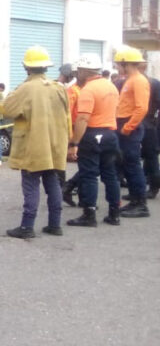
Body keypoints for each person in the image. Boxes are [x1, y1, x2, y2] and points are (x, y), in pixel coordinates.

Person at [0, 47, 70, 239]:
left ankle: (27, 226)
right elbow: (67, 116)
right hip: (54, 144)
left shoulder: (26, 88)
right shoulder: (58, 88)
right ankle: (55, 224)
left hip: (33, 145)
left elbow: (7, 109)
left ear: (26, 67)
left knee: (31, 185)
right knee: (53, 183)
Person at [67, 55, 122, 227]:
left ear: (84, 71)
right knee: (110, 175)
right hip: (110, 134)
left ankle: (89, 214)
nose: (77, 75)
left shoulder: (88, 90)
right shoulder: (110, 86)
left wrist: (74, 142)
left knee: (89, 175)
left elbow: (83, 118)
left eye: (78, 71)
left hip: (92, 134)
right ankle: (114, 213)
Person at [112, 46, 150, 218]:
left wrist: (128, 127)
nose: (117, 68)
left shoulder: (138, 80)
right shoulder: (130, 79)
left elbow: (141, 108)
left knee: (133, 165)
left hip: (130, 127)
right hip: (125, 124)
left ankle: (140, 204)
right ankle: (135, 200)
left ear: (126, 64)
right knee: (128, 164)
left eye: (119, 64)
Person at [58, 63, 83, 206]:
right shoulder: (72, 91)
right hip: (73, 130)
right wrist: (72, 140)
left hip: (78, 130)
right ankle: (64, 189)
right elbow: (68, 114)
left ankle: (67, 189)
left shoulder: (77, 89)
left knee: (85, 166)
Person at [141, 65, 160, 200]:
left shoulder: (153, 83)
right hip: (148, 123)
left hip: (149, 124)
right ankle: (149, 183)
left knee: (151, 156)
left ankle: (153, 186)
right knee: (149, 156)